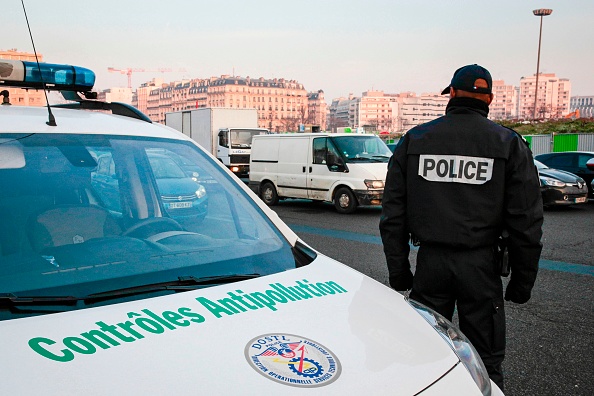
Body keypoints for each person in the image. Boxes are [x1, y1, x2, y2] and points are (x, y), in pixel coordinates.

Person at [379, 64, 543, 391]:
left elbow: (393, 215)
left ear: (451, 94)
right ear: (491, 99)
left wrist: (399, 272)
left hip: (431, 265)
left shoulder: (415, 140)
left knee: (425, 350)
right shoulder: (508, 144)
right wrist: (522, 283)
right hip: (481, 269)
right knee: (484, 359)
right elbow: (526, 222)